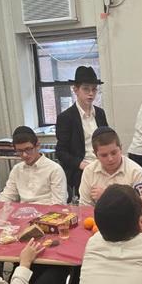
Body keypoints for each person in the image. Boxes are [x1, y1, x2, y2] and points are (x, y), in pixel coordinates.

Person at [55, 66, 108, 198]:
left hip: (103, 165)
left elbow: (107, 140)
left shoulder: (100, 113)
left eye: (94, 89)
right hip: (81, 169)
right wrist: (81, 165)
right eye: (86, 89)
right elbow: (61, 152)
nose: (91, 93)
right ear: (76, 90)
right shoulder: (66, 117)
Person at [78, 127, 142, 207]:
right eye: (104, 155)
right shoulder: (89, 171)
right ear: (95, 155)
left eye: (114, 153)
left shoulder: (136, 172)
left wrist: (107, 197)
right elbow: (85, 207)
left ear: (121, 148)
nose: (110, 159)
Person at [0, 126, 67, 205]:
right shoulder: (17, 169)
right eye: (19, 151)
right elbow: (7, 195)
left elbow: (59, 203)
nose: (24, 155)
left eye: (28, 149)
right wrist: (0, 206)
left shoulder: (54, 169)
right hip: (23, 210)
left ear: (37, 145)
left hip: (47, 211)